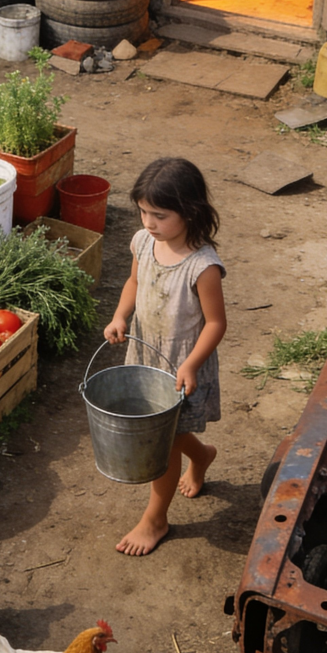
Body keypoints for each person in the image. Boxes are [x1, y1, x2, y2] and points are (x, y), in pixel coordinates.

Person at [104, 157, 226, 556]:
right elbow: (134, 282)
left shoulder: (202, 266)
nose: (149, 222)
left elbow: (216, 323)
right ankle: (202, 456)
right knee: (166, 431)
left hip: (182, 365)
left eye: (159, 215)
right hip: (146, 352)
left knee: (163, 440)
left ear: (190, 211)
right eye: (143, 212)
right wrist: (121, 315)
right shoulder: (143, 242)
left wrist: (191, 364)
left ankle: (156, 519)